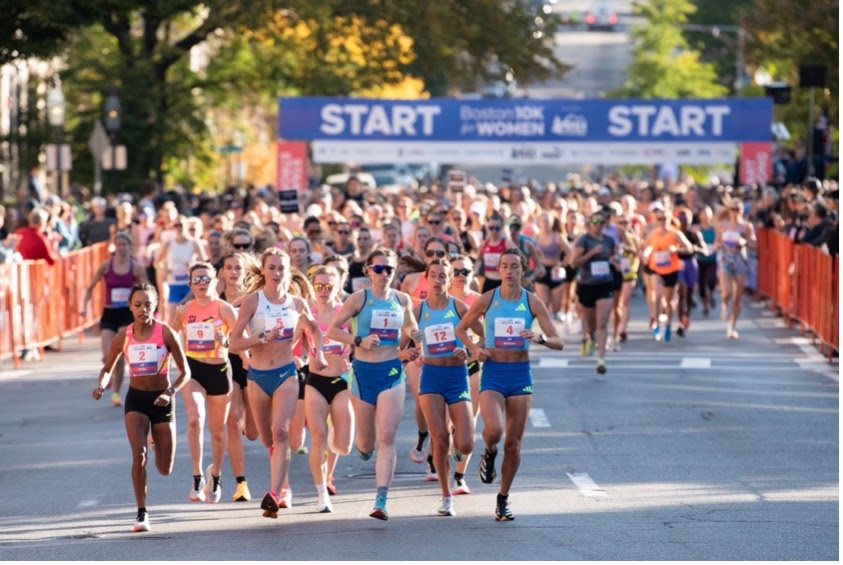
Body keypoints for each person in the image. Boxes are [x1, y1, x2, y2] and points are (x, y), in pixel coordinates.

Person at [455, 248, 564, 521]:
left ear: (521, 270)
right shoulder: (487, 299)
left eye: (514, 266)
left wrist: (538, 339)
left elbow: (558, 341)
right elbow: (461, 328)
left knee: (513, 445)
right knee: (494, 430)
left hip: (519, 374)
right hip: (493, 372)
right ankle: (489, 452)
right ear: (499, 269)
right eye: (504, 266)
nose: (509, 270)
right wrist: (474, 349)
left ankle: (502, 499)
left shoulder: (532, 302)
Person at [229, 248, 327, 518]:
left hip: (286, 373)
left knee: (281, 432)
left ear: (288, 270)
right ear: (263, 270)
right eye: (271, 268)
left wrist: (311, 357)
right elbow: (234, 341)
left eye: (281, 268)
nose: (276, 273)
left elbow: (312, 333)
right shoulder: (253, 301)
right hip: (258, 377)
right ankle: (283, 484)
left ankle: (275, 493)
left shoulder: (297, 304)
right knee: (267, 438)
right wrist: (259, 339)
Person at [326, 248, 422, 520]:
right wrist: (359, 341)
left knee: (387, 436)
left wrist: (419, 340)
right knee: (366, 444)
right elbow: (333, 329)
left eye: (389, 269)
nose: (384, 274)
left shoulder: (402, 299)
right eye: (378, 269)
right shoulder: (359, 298)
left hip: (392, 371)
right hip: (363, 373)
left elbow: (411, 328)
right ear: (368, 270)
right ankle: (355, 442)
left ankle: (381, 499)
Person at [92, 283, 190, 532]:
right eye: (138, 305)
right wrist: (102, 386)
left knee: (165, 468)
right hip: (136, 399)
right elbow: (108, 367)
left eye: (148, 304)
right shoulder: (124, 335)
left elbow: (185, 372)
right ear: (130, 307)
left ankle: (155, 438)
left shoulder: (166, 333)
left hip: (162, 399)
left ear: (155, 305)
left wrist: (170, 392)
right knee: (139, 454)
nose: (143, 309)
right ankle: (141, 513)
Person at [415, 258, 483, 516]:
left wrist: (468, 351)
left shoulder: (459, 307)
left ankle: (458, 442)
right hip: (431, 377)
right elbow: (402, 344)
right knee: (440, 439)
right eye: (433, 275)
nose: (438, 280)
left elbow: (481, 338)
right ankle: (445, 496)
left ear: (450, 278)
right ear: (427, 278)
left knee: (465, 444)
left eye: (443, 276)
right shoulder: (418, 311)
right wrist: (412, 353)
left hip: (457, 377)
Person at [172, 262, 238, 504]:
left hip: (219, 370)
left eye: (206, 279)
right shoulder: (182, 311)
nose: (201, 284)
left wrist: (226, 340)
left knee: (218, 432)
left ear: (216, 282)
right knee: (194, 419)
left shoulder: (225, 309)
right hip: (193, 370)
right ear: (190, 284)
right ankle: (197, 476)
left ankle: (216, 475)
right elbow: (170, 338)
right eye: (197, 280)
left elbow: (240, 339)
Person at [300, 266, 354, 512]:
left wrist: (353, 358)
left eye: (328, 286)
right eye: (319, 286)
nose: (323, 291)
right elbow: (295, 344)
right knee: (317, 437)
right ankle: (322, 494)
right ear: (313, 287)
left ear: (338, 286)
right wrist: (297, 357)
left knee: (343, 446)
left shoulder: (346, 312)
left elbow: (358, 341)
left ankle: (336, 437)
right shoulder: (307, 315)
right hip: (315, 381)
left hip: (341, 380)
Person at [401, 237, 451, 480]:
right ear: (424, 253)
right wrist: (399, 351)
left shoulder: (452, 281)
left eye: (440, 252)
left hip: (445, 349)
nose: (434, 255)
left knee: (442, 408)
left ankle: (434, 458)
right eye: (430, 252)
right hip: (417, 347)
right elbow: (399, 312)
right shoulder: (411, 281)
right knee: (423, 402)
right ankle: (423, 435)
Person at [81, 232, 149, 405]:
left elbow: (148, 289)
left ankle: (116, 393)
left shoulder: (136, 267)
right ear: (114, 247)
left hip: (127, 314)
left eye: (124, 244)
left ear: (129, 246)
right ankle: (109, 372)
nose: (121, 248)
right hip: (110, 312)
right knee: (107, 355)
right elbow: (90, 286)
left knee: (119, 355)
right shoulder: (106, 265)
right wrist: (84, 307)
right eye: (118, 244)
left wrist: (146, 308)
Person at [218, 252, 258, 502]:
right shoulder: (217, 302)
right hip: (226, 363)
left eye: (238, 268)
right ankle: (241, 483)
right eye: (229, 267)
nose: (233, 272)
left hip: (252, 362)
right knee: (232, 420)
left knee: (253, 432)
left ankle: (245, 427)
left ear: (245, 273)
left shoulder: (254, 300)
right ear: (222, 271)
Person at [447, 254, 483, 494]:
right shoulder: (441, 300)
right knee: (447, 424)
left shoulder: (480, 301)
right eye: (456, 271)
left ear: (472, 275)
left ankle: (459, 476)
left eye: (465, 272)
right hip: (444, 368)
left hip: (471, 366)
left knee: (469, 423)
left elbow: (490, 331)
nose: (461, 276)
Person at [569, 210, 617, 374]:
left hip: (605, 284)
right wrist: (592, 253)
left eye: (600, 222)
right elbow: (573, 263)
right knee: (591, 325)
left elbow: (612, 256)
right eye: (594, 222)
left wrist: (616, 261)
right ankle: (590, 336)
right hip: (587, 285)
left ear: (605, 224)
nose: (597, 225)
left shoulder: (609, 240)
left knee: (602, 323)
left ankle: (601, 360)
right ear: (590, 223)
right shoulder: (584, 240)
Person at [643, 209, 693, 342]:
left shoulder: (675, 234)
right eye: (659, 219)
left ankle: (669, 325)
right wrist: (646, 254)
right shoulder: (653, 234)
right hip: (656, 269)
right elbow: (647, 246)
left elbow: (689, 248)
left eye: (664, 219)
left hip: (671, 270)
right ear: (655, 220)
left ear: (669, 219)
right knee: (657, 296)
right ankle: (657, 326)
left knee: (669, 301)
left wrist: (676, 249)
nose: (662, 221)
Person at [715, 199, 757, 339]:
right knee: (726, 291)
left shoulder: (746, 226)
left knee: (737, 297)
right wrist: (719, 245)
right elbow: (717, 241)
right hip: (726, 259)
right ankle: (724, 303)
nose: (734, 212)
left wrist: (744, 242)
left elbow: (754, 244)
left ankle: (732, 326)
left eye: (737, 209)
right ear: (728, 211)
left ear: (742, 210)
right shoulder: (723, 225)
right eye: (732, 209)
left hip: (740, 259)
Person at [156, 216, 206, 326]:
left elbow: (205, 263)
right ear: (173, 227)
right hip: (174, 285)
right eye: (176, 225)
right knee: (172, 318)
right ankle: (171, 342)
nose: (179, 228)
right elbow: (157, 262)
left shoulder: (194, 243)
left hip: (190, 286)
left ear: (186, 226)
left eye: (181, 225)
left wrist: (194, 266)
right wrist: (163, 270)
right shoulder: (169, 244)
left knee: (192, 319)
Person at [476, 213, 511, 293]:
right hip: (488, 281)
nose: (494, 231)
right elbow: (478, 261)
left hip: (502, 281)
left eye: (497, 228)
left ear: (502, 228)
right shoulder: (484, 244)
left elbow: (518, 258)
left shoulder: (506, 243)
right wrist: (474, 274)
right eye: (491, 228)